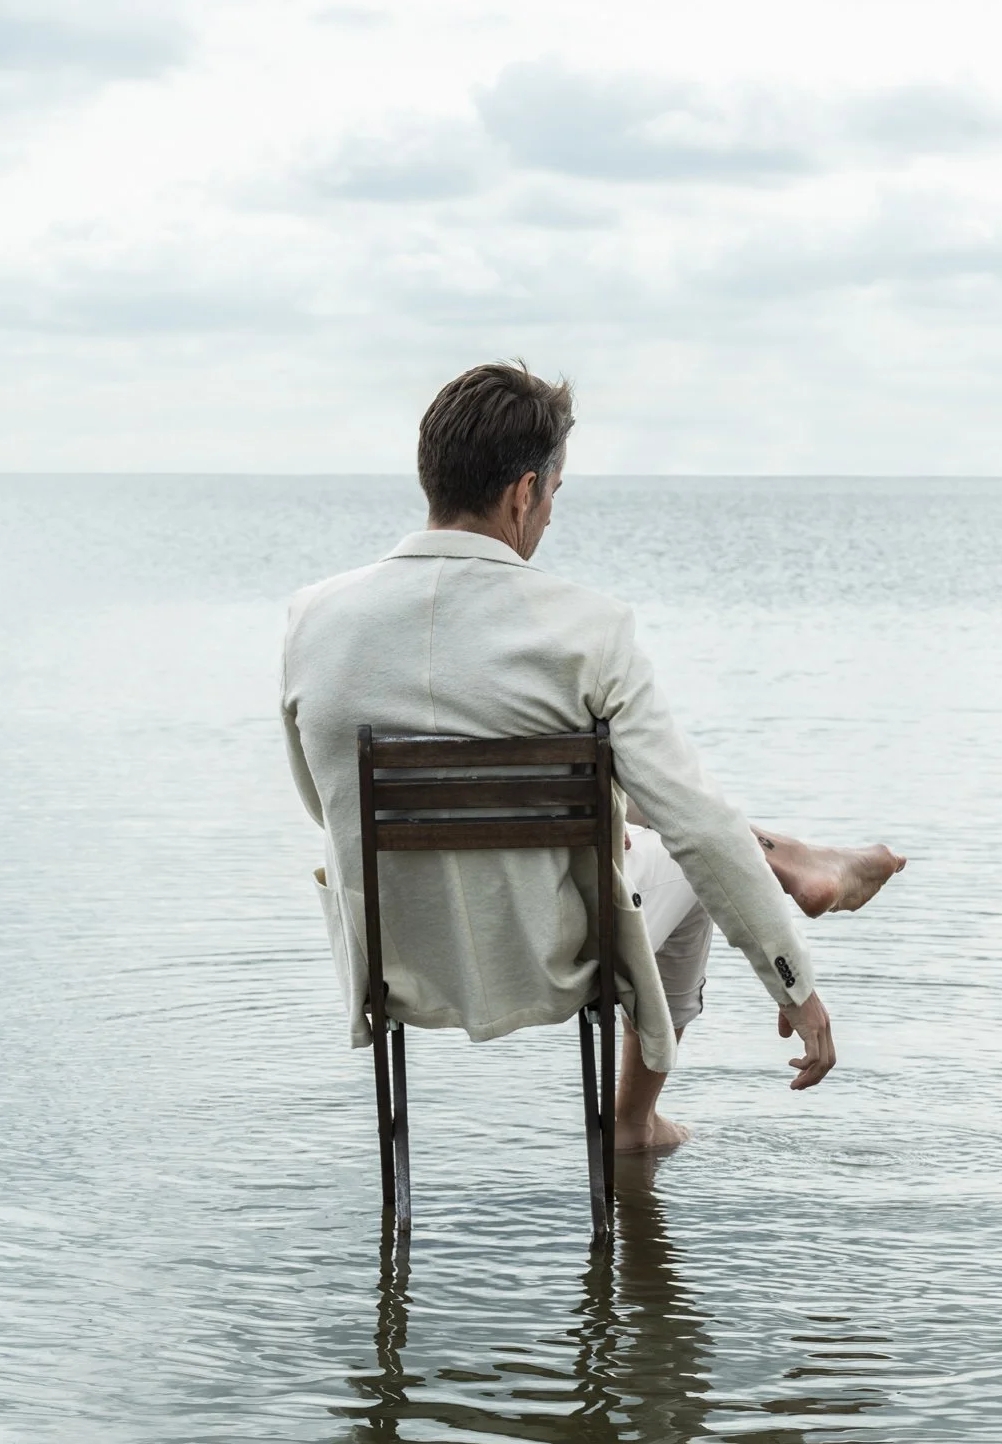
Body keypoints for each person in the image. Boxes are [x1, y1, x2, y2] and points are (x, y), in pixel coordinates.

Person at [282, 363, 903, 1155]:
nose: (548, 519)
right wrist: (797, 986)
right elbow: (698, 828)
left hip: (396, 960)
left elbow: (323, 802)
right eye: (554, 497)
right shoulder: (588, 629)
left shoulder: (312, 619)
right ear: (523, 492)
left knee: (599, 785)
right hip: (552, 958)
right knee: (687, 845)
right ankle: (632, 1124)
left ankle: (790, 857)